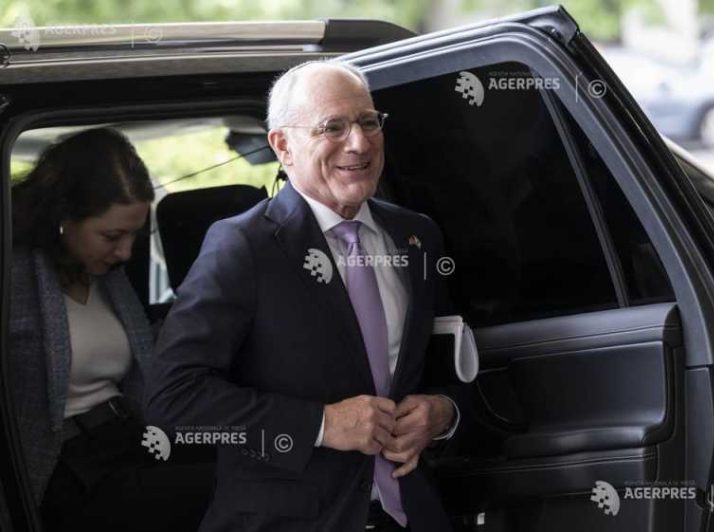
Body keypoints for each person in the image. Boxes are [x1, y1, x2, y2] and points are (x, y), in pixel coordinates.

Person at [146, 61, 459, 532]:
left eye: (368, 122)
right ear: (283, 145)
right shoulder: (244, 245)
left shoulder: (416, 235)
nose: (359, 143)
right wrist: (321, 425)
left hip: (409, 513)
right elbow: (173, 399)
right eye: (333, 127)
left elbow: (450, 362)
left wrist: (443, 413)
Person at [9, 128, 209, 531]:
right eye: (112, 236)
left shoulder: (106, 277)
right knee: (234, 486)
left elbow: (140, 359)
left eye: (135, 234)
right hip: (67, 469)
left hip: (129, 437)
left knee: (260, 456)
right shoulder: (15, 279)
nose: (126, 252)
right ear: (63, 218)